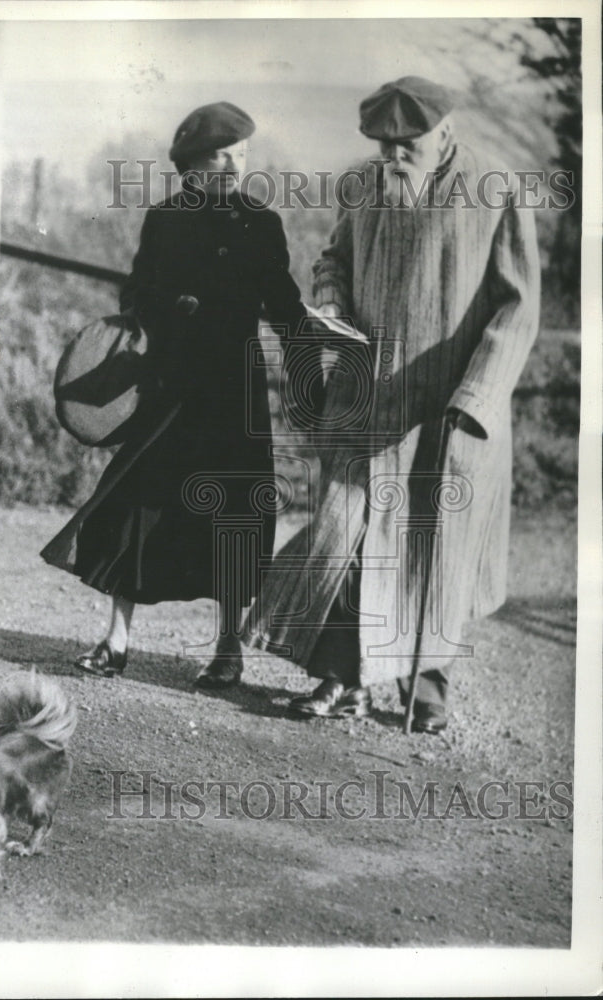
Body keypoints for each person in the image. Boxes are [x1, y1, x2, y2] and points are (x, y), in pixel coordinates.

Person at [246, 77, 540, 733]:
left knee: (432, 548)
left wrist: (478, 396)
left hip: (444, 409)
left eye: (405, 146)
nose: (391, 158)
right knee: (347, 536)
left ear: (442, 135)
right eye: (382, 146)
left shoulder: (493, 190)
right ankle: (340, 674)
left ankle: (427, 684)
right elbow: (332, 261)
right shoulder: (362, 186)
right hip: (365, 398)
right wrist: (329, 307)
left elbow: (517, 307)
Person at [42, 101, 306, 688]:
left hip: (234, 396)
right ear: (193, 166)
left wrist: (314, 355)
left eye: (243, 156)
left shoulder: (261, 223)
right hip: (167, 390)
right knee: (137, 507)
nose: (237, 167)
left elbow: (285, 305)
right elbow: (136, 292)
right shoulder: (165, 220)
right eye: (224, 157)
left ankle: (228, 650)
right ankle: (115, 642)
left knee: (235, 516)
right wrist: (168, 308)